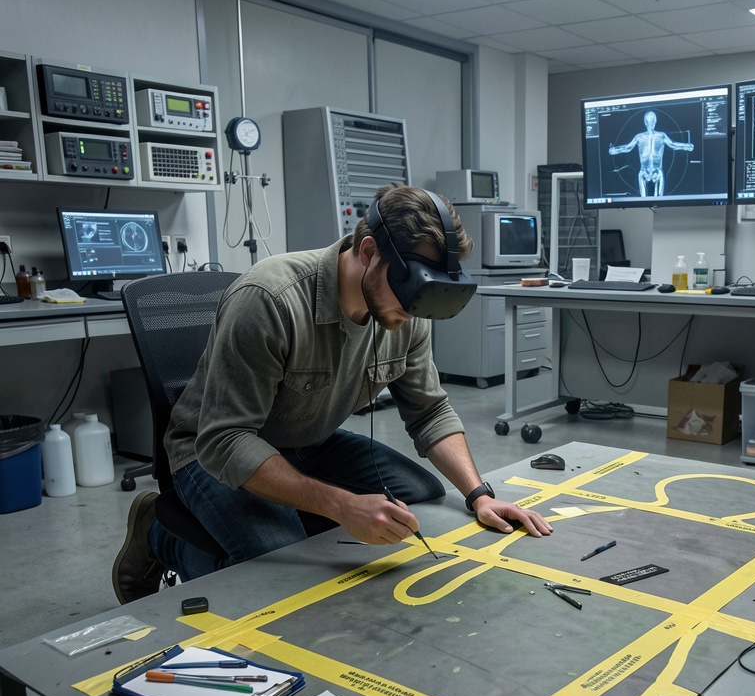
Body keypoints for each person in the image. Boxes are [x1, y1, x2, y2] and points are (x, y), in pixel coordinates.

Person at [112, 183, 552, 603]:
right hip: (211, 450)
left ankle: (298, 517)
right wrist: (342, 505)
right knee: (286, 567)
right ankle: (161, 538)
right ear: (368, 252)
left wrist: (480, 494)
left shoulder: (404, 311)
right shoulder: (270, 298)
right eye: (412, 284)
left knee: (423, 496)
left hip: (308, 441)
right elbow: (225, 439)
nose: (417, 304)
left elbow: (430, 412)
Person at [608, 109, 693, 197]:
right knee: (645, 202)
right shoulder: (640, 137)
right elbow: (628, 148)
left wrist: (686, 146)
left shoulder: (661, 136)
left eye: (652, 120)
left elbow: (673, 145)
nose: (650, 123)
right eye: (650, 121)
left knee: (658, 202)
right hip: (644, 172)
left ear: (654, 121)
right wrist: (614, 150)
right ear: (646, 122)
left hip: (657, 171)